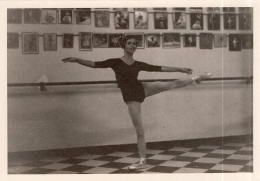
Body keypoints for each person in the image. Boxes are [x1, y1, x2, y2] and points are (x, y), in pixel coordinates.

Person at [62, 36, 212, 171]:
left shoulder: (138, 64)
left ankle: (195, 79)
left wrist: (180, 68)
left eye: (134, 43)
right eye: (129, 43)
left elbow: (158, 68)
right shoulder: (115, 62)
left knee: (169, 84)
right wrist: (77, 59)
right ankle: (143, 161)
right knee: (139, 130)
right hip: (131, 97)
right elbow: (94, 64)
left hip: (142, 89)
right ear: (124, 46)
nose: (133, 45)